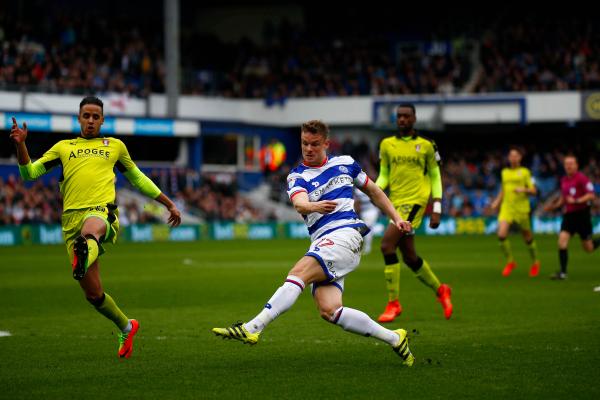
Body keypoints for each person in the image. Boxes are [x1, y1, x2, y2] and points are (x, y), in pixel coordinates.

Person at [212, 120, 415, 366]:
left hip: (345, 234)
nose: (308, 148)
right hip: (325, 241)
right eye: (304, 143)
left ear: (326, 144)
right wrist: (314, 206)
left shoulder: (346, 164)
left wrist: (397, 218)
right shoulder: (298, 176)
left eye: (314, 144)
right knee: (330, 311)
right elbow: (299, 203)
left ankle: (252, 327)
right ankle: (395, 338)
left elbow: (374, 192)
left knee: (298, 273)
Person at [9, 96, 182, 358]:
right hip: (70, 222)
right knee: (94, 295)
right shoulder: (63, 148)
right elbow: (28, 174)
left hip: (102, 213)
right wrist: (22, 145)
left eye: (95, 116)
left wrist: (168, 203)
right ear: (79, 118)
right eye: (86, 116)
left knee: (91, 232)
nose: (90, 120)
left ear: (102, 120)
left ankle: (84, 249)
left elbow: (138, 178)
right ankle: (127, 325)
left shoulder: (114, 146)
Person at [376, 103, 452, 323]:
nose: (402, 120)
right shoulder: (386, 144)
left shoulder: (427, 145)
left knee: (386, 246)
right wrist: (372, 190)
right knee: (410, 257)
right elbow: (384, 176)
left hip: (415, 202)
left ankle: (394, 304)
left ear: (414, 118)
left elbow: (436, 177)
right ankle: (441, 290)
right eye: (399, 116)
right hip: (395, 203)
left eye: (406, 116)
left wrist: (436, 208)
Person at [543, 155, 599, 280]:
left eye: (571, 163)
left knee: (588, 248)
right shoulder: (564, 180)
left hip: (582, 216)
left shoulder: (582, 179)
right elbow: (564, 198)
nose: (569, 166)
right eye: (567, 164)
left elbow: (591, 195)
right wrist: (553, 206)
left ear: (576, 165)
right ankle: (563, 273)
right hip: (569, 216)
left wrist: (577, 200)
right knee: (562, 241)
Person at [490, 148, 540, 277]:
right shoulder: (504, 172)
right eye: (511, 155)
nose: (513, 158)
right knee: (501, 235)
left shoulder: (525, 172)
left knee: (527, 238)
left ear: (520, 158)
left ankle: (535, 262)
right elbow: (503, 190)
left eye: (515, 155)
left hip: (522, 209)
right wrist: (496, 202)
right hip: (507, 208)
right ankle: (511, 262)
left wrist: (523, 189)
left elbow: (534, 190)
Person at [354, 188, 380, 254]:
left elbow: (357, 202)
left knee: (368, 228)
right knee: (365, 229)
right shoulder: (360, 190)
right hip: (364, 211)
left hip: (371, 210)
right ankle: (365, 247)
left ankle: (367, 248)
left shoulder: (358, 190)